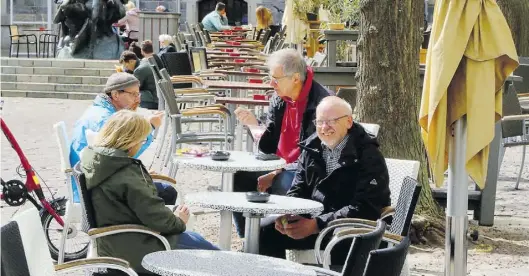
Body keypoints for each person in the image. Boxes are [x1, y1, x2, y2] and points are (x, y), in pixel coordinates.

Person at [81, 110, 219, 274]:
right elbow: (158, 218)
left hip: (114, 242)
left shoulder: (96, 161)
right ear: (130, 142)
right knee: (216, 257)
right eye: (142, 140)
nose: (141, 144)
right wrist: (179, 220)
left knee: (200, 243)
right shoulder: (124, 173)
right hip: (137, 246)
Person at [258, 96, 391, 263]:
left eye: (332, 121)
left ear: (349, 122)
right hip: (317, 222)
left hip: (352, 231)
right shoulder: (311, 147)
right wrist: (288, 215)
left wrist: (317, 224)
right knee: (265, 231)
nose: (324, 127)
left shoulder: (368, 155)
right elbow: (298, 187)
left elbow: (366, 208)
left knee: (339, 242)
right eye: (320, 122)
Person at [232, 48, 331, 237]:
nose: (271, 83)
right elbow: (269, 145)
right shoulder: (279, 99)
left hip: (306, 172)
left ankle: (270, 232)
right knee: (239, 176)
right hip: (279, 164)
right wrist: (254, 125)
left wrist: (276, 173)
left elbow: (313, 156)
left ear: (295, 78)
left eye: (276, 79)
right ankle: (248, 237)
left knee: (283, 180)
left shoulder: (322, 104)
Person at [69, 73, 175, 205]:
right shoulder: (107, 119)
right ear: (115, 95)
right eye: (133, 94)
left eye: (138, 94)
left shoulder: (99, 111)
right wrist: (149, 127)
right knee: (167, 191)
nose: (137, 99)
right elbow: (123, 155)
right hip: (100, 190)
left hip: (91, 182)